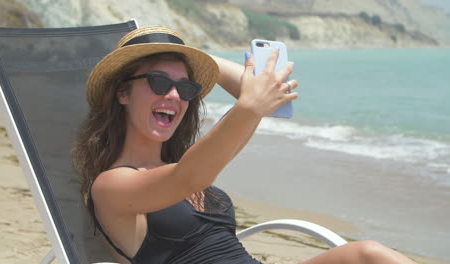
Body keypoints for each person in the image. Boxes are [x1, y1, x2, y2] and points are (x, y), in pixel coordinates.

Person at [73, 26, 417, 264]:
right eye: (159, 81)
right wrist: (248, 106)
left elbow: (272, 102)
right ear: (122, 92)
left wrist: (191, 55)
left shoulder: (185, 163)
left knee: (368, 254)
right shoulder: (112, 185)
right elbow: (188, 179)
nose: (175, 96)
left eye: (187, 89)